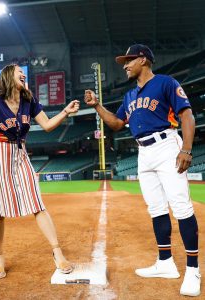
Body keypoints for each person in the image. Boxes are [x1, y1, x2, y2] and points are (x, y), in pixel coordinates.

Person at [84, 44, 201, 297]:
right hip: (143, 153)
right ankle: (165, 262)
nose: (124, 65)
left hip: (167, 145)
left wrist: (187, 150)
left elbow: (187, 115)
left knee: (181, 207)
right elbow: (116, 123)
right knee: (156, 208)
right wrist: (96, 105)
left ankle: (193, 270)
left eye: (129, 60)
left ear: (144, 60)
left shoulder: (166, 83)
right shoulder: (129, 96)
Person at [0, 64, 79, 279]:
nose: (23, 74)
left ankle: (57, 252)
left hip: (21, 154)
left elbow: (48, 125)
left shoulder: (28, 101)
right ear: (7, 76)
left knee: (37, 203)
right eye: (19, 71)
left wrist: (65, 112)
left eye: (24, 72)